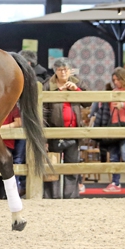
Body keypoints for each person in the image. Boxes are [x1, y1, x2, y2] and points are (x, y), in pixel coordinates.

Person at [43, 58, 88, 199]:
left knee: (72, 167)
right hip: (54, 132)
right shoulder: (47, 86)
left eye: (66, 69)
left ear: (70, 70)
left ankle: (71, 197)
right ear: (55, 71)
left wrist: (76, 90)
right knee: (53, 166)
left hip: (73, 132)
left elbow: (88, 102)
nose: (63, 72)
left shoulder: (77, 82)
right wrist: (44, 137)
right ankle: (52, 197)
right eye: (60, 69)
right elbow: (42, 113)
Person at [98, 67, 125, 193]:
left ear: (122, 79)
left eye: (117, 80)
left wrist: (122, 105)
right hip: (113, 126)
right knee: (114, 157)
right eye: (113, 80)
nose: (115, 82)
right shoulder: (114, 91)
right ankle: (115, 182)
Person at [0, 105, 21, 200]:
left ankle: (0, 197)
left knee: (4, 171)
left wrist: (0, 128)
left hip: (8, 143)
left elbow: (18, 122)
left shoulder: (13, 107)